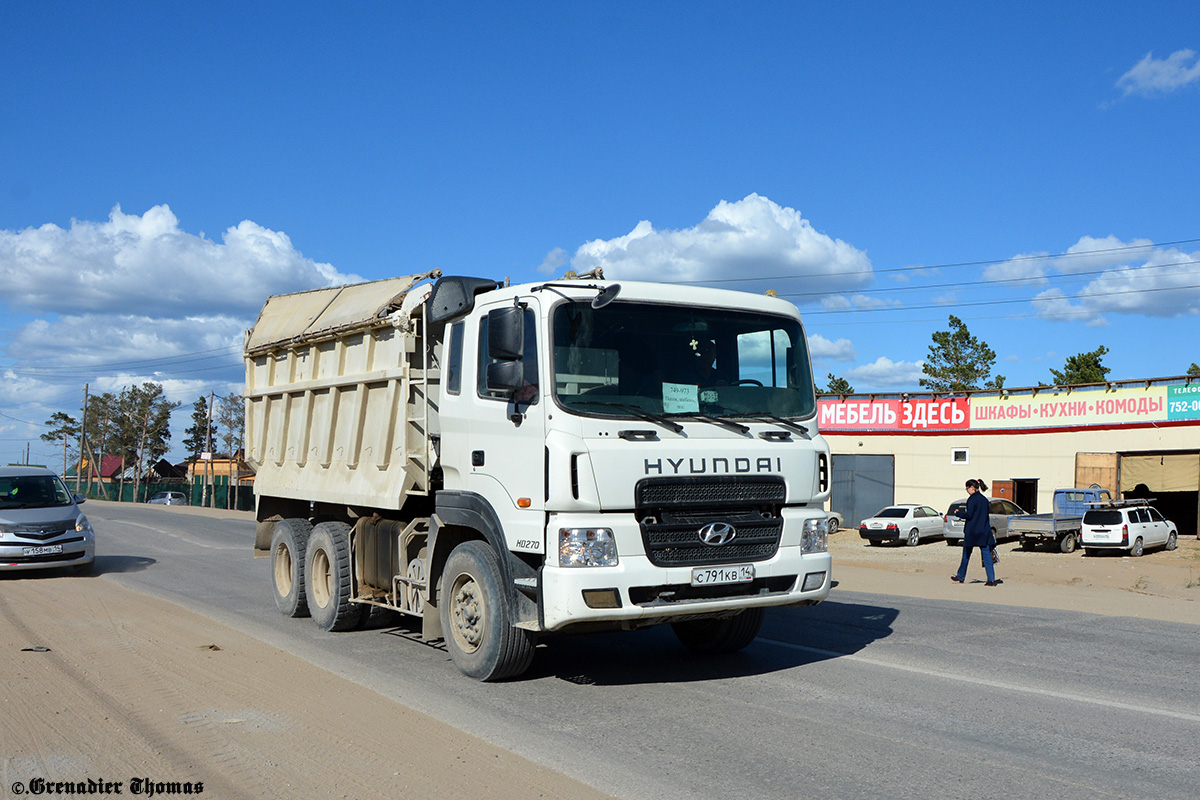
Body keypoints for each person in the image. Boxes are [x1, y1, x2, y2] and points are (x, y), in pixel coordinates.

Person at [951, 478, 999, 586]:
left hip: (972, 531)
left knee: (966, 554)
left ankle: (960, 576)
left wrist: (958, 513)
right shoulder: (985, 500)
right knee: (986, 555)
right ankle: (991, 579)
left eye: (967, 488)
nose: (967, 490)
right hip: (984, 531)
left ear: (972, 488)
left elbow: (969, 515)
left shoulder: (972, 499)